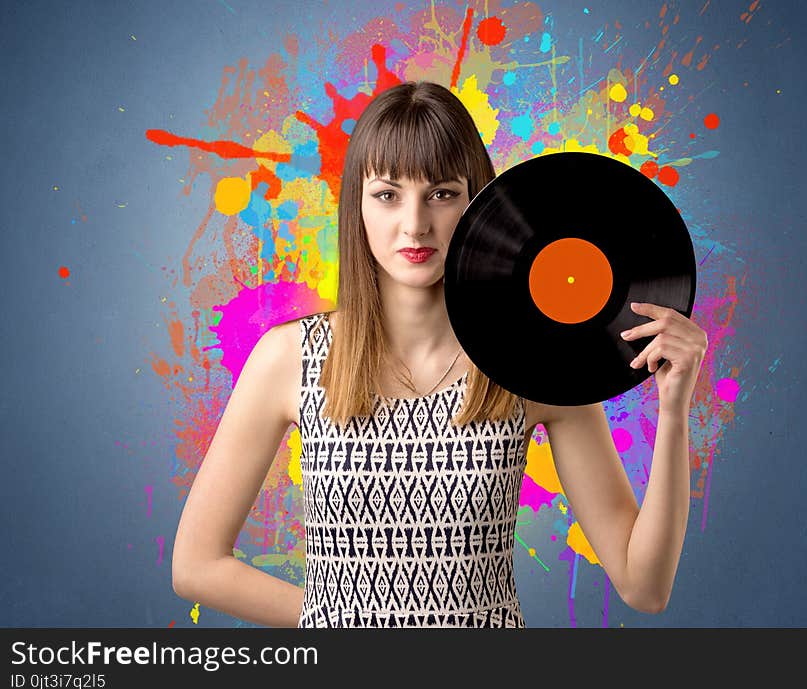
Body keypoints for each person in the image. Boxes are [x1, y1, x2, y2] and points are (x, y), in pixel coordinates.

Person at [171, 80, 708, 628]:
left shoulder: (539, 361)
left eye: (442, 193)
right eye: (387, 194)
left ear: (480, 201)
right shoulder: (290, 358)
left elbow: (645, 587)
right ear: (356, 206)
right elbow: (196, 565)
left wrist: (673, 410)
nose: (415, 223)